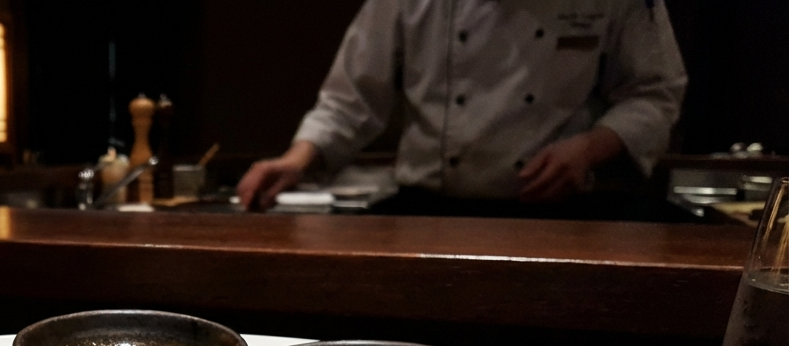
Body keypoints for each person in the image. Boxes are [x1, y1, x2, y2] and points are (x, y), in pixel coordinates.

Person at [238, 0, 687, 214]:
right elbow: (349, 100)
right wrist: (296, 159)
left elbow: (655, 93)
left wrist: (590, 148)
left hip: (555, 215)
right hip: (425, 211)